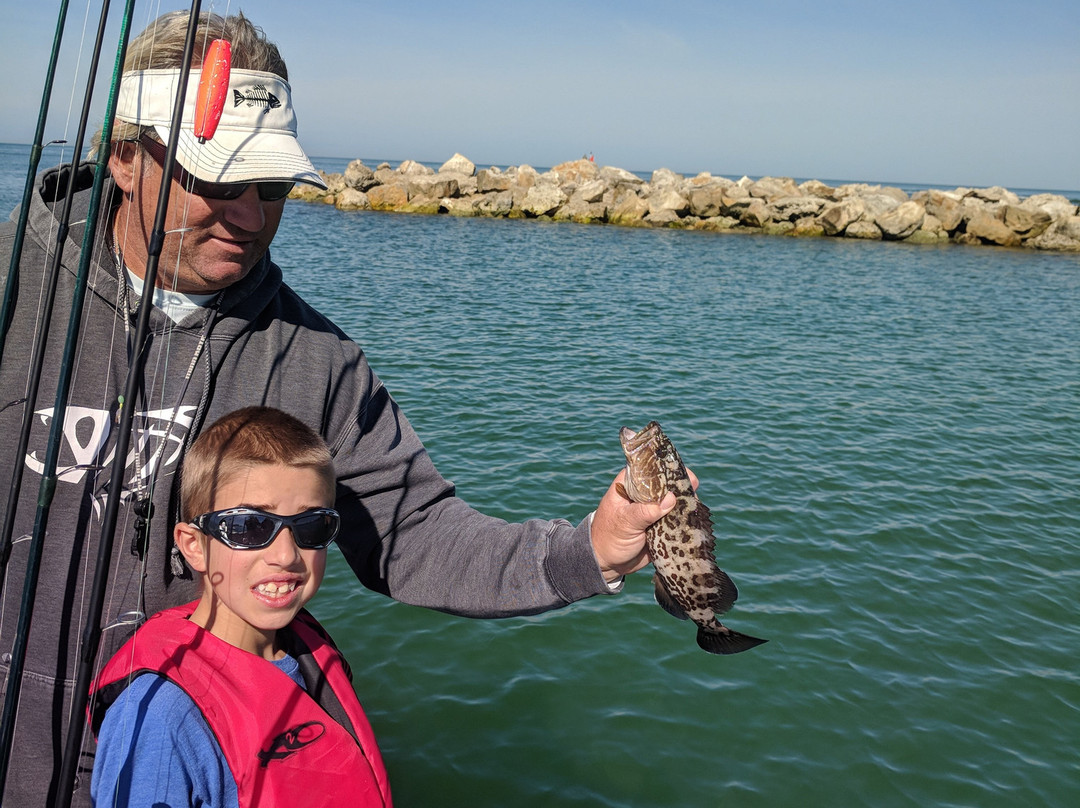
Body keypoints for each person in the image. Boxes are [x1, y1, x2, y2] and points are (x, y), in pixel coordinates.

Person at [0, 11, 677, 806]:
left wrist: (587, 551)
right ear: (124, 157)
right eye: (217, 181)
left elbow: (415, 535)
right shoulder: (15, 297)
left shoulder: (318, 359)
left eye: (274, 185)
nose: (251, 215)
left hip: (199, 766)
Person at [89, 406, 392, 808]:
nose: (286, 555)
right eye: (250, 526)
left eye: (312, 526)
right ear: (194, 545)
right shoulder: (159, 716)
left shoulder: (307, 647)